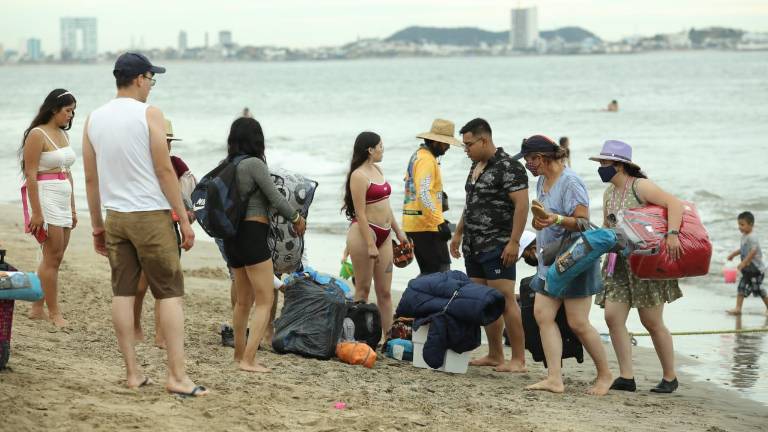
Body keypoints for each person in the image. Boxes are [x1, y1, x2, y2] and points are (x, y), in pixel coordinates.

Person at [82, 52, 208, 396]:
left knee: (122, 292)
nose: (152, 86)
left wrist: (97, 226)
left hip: (117, 217)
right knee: (169, 293)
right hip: (151, 216)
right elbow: (164, 169)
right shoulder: (149, 114)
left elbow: (91, 180)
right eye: (152, 79)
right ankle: (177, 377)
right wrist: (183, 219)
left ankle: (133, 373)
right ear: (139, 78)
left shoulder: (94, 119)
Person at [519, 134, 612, 395]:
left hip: (574, 259)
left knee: (578, 322)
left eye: (530, 159)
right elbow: (545, 217)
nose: (528, 164)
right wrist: (540, 223)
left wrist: (557, 219)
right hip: (549, 260)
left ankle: (605, 375)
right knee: (542, 315)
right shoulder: (541, 181)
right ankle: (554, 378)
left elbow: (583, 222)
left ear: (542, 158)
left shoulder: (571, 182)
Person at [590, 139, 683, 394]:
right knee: (612, 317)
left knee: (651, 321)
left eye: (604, 163)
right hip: (618, 263)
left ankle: (670, 377)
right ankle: (626, 376)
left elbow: (674, 204)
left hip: (646, 263)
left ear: (619, 165)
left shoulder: (640, 186)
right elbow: (607, 228)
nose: (601, 168)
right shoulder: (609, 192)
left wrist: (672, 234)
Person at [222, 117, 306, 373]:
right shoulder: (255, 164)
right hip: (252, 233)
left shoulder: (227, 166)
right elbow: (275, 197)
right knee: (265, 300)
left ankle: (239, 356)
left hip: (232, 237)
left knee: (243, 301)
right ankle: (248, 360)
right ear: (257, 140)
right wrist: (296, 218)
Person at [449, 118, 529, 373]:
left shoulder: (510, 167)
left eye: (469, 144)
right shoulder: (475, 165)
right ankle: (495, 354)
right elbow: (470, 203)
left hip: (498, 244)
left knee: (505, 299)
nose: (466, 149)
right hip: (474, 244)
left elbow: (522, 205)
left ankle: (518, 359)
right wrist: (458, 234)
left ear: (484, 140)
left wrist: (514, 242)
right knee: (484, 301)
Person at [133, 119, 195, 348]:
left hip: (169, 228)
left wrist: (187, 216)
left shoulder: (177, 164)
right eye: (162, 141)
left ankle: (160, 335)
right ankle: (136, 327)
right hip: (142, 226)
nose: (166, 146)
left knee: (164, 285)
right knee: (139, 285)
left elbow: (191, 196)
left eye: (168, 141)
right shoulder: (139, 164)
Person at [19, 89, 78, 327]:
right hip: (46, 197)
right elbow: (30, 175)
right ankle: (54, 313)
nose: (71, 116)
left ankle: (36, 308)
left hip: (63, 196)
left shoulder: (63, 135)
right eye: (67, 110)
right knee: (52, 258)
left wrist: (73, 208)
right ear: (54, 109)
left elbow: (68, 172)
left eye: (73, 111)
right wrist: (36, 212)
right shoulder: (37, 134)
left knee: (55, 256)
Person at [343, 131, 408, 339]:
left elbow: (386, 206)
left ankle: (389, 338)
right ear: (370, 150)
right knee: (362, 290)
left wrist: (399, 232)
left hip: (386, 235)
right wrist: (370, 244)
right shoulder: (358, 175)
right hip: (364, 234)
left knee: (385, 292)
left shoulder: (378, 170)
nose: (383, 149)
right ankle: (356, 336)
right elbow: (360, 213)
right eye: (380, 146)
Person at [402, 119, 462, 275]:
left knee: (429, 271)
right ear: (435, 141)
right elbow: (424, 192)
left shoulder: (418, 155)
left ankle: (418, 297)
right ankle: (418, 297)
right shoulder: (427, 160)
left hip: (415, 222)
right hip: (425, 225)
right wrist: (439, 222)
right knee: (440, 272)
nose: (448, 147)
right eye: (445, 143)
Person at [727, 211, 768, 315]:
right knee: (741, 287)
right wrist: (733, 254)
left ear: (751, 224)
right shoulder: (744, 236)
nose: (740, 227)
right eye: (739, 224)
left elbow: (753, 251)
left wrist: (744, 263)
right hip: (748, 270)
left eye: (742, 224)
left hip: (756, 270)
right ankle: (738, 308)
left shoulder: (752, 237)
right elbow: (743, 249)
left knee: (759, 290)